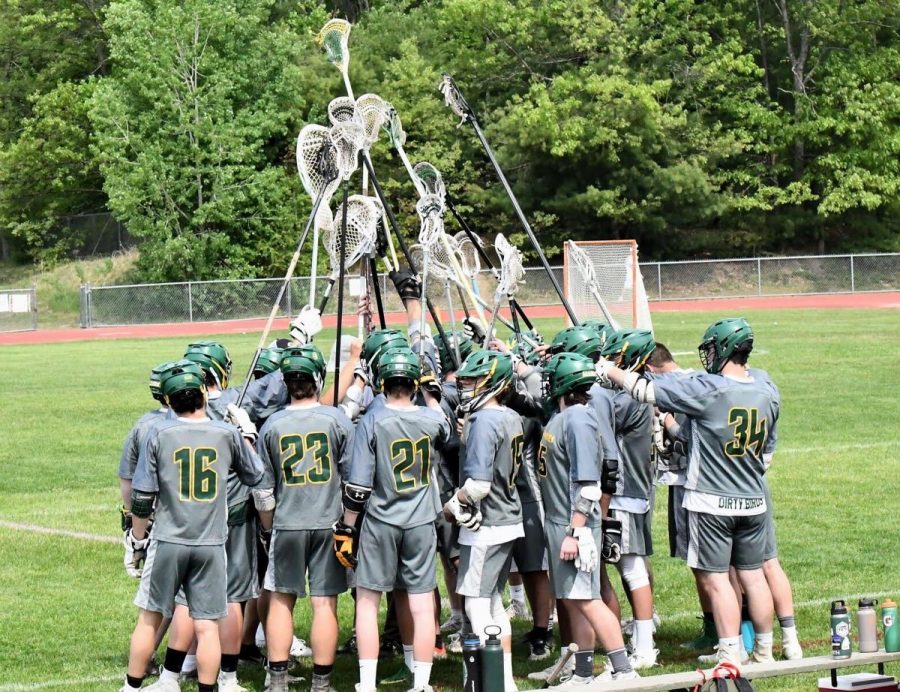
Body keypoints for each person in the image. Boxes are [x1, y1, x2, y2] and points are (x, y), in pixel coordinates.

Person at [597, 318, 777, 669]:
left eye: (711, 348)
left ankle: (729, 652)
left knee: (717, 579)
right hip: (754, 498)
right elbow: (766, 456)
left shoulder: (710, 388)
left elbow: (645, 390)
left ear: (723, 348)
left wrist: (609, 371)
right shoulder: (767, 387)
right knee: (754, 577)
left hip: (712, 500)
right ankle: (766, 652)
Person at [120, 360, 270, 692]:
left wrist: (137, 538)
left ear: (169, 401)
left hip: (170, 539)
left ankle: (132, 687)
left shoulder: (158, 432)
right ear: (203, 395)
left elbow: (142, 499)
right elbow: (257, 475)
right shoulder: (226, 433)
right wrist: (245, 434)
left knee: (149, 617)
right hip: (212, 543)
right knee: (206, 625)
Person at [335, 346, 451, 692]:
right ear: (414, 382)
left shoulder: (372, 420)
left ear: (381, 381)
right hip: (420, 520)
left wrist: (346, 527)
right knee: (420, 601)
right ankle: (422, 681)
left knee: (368, 603)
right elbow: (446, 429)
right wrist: (432, 396)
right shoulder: (432, 419)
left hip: (381, 520)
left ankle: (367, 684)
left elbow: (357, 486)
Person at [256, 345, 354, 692]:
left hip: (288, 521)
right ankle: (322, 683)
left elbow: (263, 491)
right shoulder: (338, 420)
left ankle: (278, 679)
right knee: (324, 601)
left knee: (282, 599)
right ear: (317, 379)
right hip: (329, 522)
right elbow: (352, 481)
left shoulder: (272, 425)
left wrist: (268, 529)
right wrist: (348, 525)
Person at [537, 352, 639, 685]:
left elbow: (589, 486)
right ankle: (582, 674)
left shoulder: (579, 419)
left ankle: (624, 670)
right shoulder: (565, 416)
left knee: (590, 601)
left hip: (574, 524)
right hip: (561, 522)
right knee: (577, 601)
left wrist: (575, 531)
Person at [443, 350, 524, 691]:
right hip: (508, 516)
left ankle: (494, 682)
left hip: (486, 524)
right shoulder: (509, 416)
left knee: (477, 604)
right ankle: (503, 680)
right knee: (492, 601)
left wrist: (452, 503)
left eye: (475, 381)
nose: (467, 386)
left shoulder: (483, 421)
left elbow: (478, 484)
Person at [599, 328, 659, 669]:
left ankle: (645, 645)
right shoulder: (631, 392)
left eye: (617, 360)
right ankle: (637, 641)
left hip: (624, 494)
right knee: (629, 570)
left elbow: (603, 409)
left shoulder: (629, 399)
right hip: (629, 492)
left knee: (632, 571)